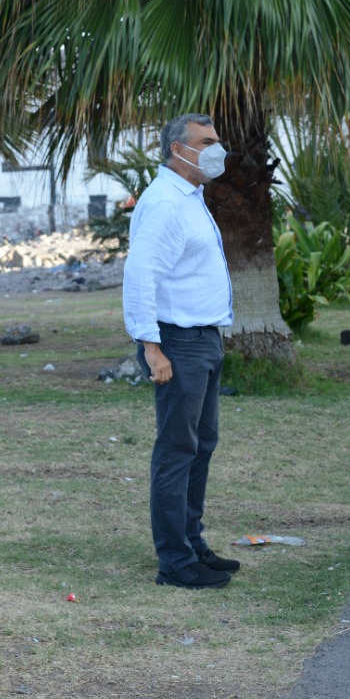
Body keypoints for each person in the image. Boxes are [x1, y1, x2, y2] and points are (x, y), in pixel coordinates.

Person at [122, 113, 238, 590]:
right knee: (177, 449)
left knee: (201, 445)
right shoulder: (165, 202)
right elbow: (141, 276)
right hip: (178, 342)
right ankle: (174, 560)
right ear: (177, 149)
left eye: (217, 140)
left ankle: (192, 542)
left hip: (204, 338)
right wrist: (151, 347)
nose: (218, 150)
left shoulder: (191, 197)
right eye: (206, 142)